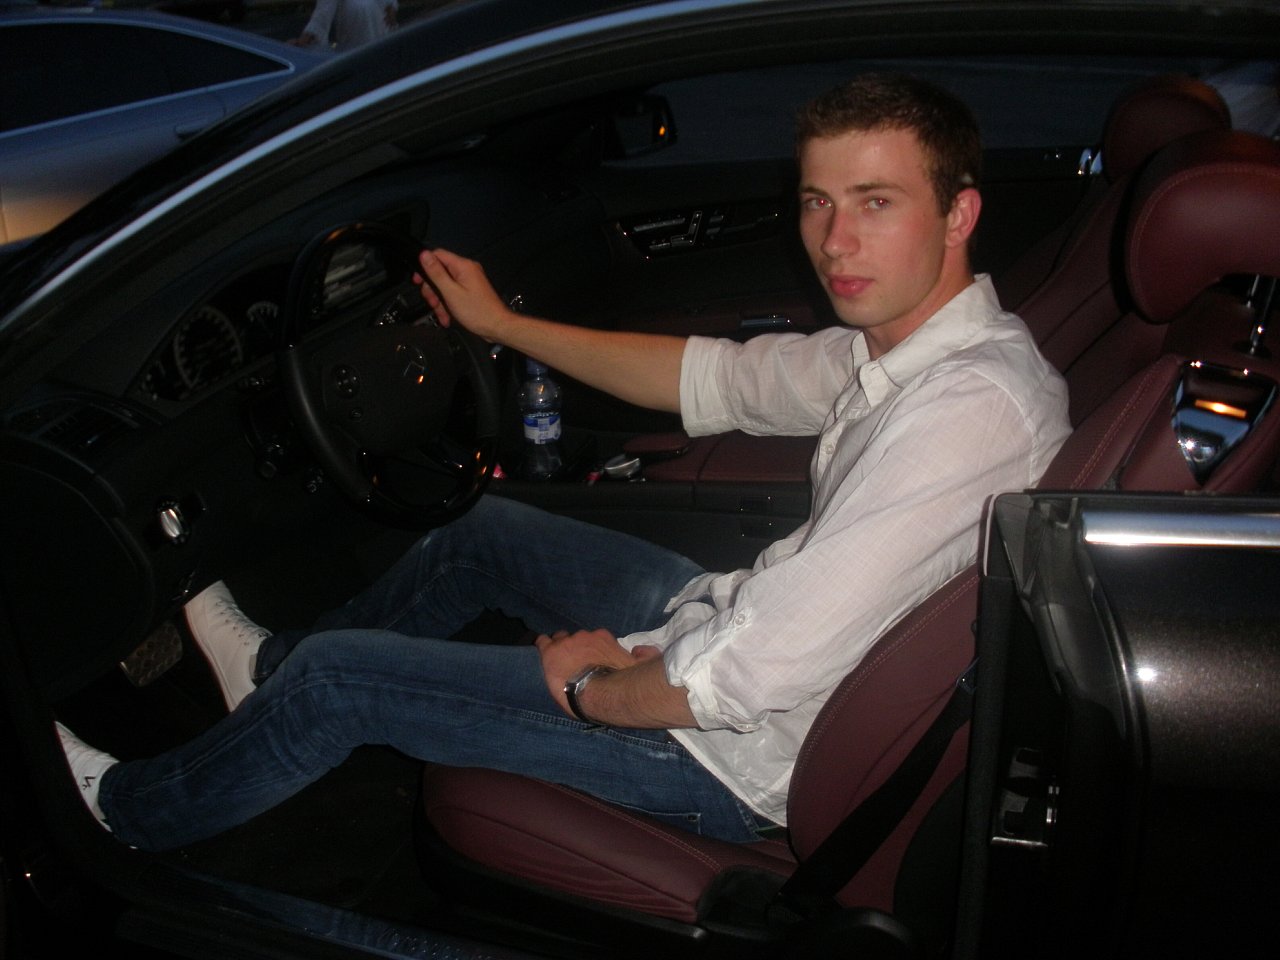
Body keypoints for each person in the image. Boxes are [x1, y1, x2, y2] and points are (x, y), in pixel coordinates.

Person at [57, 73, 1071, 852]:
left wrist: (590, 686)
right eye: (816, 201)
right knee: (477, 533)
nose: (834, 241)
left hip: (734, 756)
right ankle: (265, 677)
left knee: (340, 682)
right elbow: (712, 378)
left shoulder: (967, 411)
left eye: (875, 202)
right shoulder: (905, 352)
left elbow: (752, 673)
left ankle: (130, 813)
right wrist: (504, 326)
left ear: (959, 214)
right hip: (733, 635)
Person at [291, 0, 397, 52]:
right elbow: (321, 19)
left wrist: (392, 9)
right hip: (355, 55)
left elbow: (391, 6)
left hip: (385, 49)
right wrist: (302, 41)